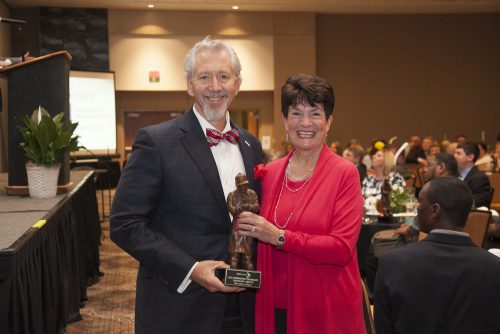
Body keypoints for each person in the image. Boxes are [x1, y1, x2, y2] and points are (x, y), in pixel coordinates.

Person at [110, 37, 262, 333]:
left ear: (237, 83)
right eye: (204, 77)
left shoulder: (251, 145)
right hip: (179, 305)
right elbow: (125, 223)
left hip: (243, 306)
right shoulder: (156, 142)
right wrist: (191, 270)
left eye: (223, 76)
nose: (215, 87)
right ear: (190, 84)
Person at [236, 74, 365, 333]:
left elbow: (341, 248)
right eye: (296, 113)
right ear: (285, 121)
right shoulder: (269, 173)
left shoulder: (344, 173)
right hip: (275, 305)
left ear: (328, 121)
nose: (305, 123)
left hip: (324, 307)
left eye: (315, 113)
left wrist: (280, 237)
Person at [374, 177, 500, 334]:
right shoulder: (494, 267)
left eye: (420, 202)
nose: (417, 208)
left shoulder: (392, 262)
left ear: (435, 210)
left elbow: (383, 328)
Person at [227, 173, 260, 270]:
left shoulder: (252, 193)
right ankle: (232, 280)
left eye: (246, 184)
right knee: (234, 256)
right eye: (242, 185)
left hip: (249, 226)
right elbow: (232, 209)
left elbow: (257, 206)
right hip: (237, 227)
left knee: (248, 257)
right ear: (237, 185)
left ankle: (249, 280)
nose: (245, 186)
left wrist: (249, 206)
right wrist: (241, 208)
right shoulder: (232, 195)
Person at [454, 142, 492, 208]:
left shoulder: (480, 178)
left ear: (470, 157)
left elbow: (476, 202)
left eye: (458, 153)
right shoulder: (452, 175)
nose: (454, 156)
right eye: (455, 153)